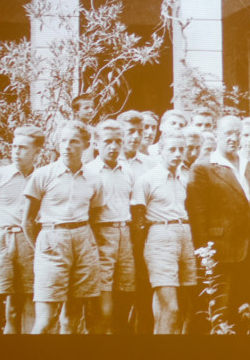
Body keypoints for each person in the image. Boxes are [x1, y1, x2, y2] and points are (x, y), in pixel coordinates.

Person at [185, 116, 250, 331]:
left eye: (238, 133)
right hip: (221, 250)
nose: (234, 138)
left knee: (247, 310)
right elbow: (197, 215)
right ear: (217, 134)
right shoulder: (203, 168)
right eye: (228, 133)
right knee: (219, 311)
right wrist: (205, 254)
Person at [22, 120, 103, 334]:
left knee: (72, 317)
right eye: (63, 140)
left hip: (83, 240)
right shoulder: (43, 175)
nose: (67, 146)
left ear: (86, 145)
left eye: (74, 141)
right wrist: (41, 248)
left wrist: (85, 241)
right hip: (52, 238)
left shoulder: (94, 178)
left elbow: (94, 213)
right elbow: (27, 220)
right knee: (45, 320)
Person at [0, 125, 44, 334]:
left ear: (36, 152)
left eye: (23, 148)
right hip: (0, 239)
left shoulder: (41, 177)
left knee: (15, 310)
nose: (16, 152)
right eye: (14, 147)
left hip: (27, 242)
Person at [131, 131, 198, 334]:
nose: (177, 154)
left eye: (181, 149)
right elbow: (137, 218)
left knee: (184, 304)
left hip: (184, 236)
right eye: (172, 149)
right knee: (171, 306)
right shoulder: (147, 180)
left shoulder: (183, 179)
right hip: (160, 235)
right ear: (160, 150)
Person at [85, 120, 136, 334]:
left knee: (126, 288)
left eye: (118, 141)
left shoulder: (128, 171)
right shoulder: (89, 172)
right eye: (108, 141)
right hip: (100, 232)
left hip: (124, 232)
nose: (113, 147)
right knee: (102, 289)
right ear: (96, 143)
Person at [117, 110, 157, 334]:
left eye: (139, 132)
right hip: (117, 233)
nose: (135, 136)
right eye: (130, 131)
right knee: (119, 294)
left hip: (143, 235)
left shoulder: (151, 164)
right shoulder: (107, 161)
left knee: (144, 291)